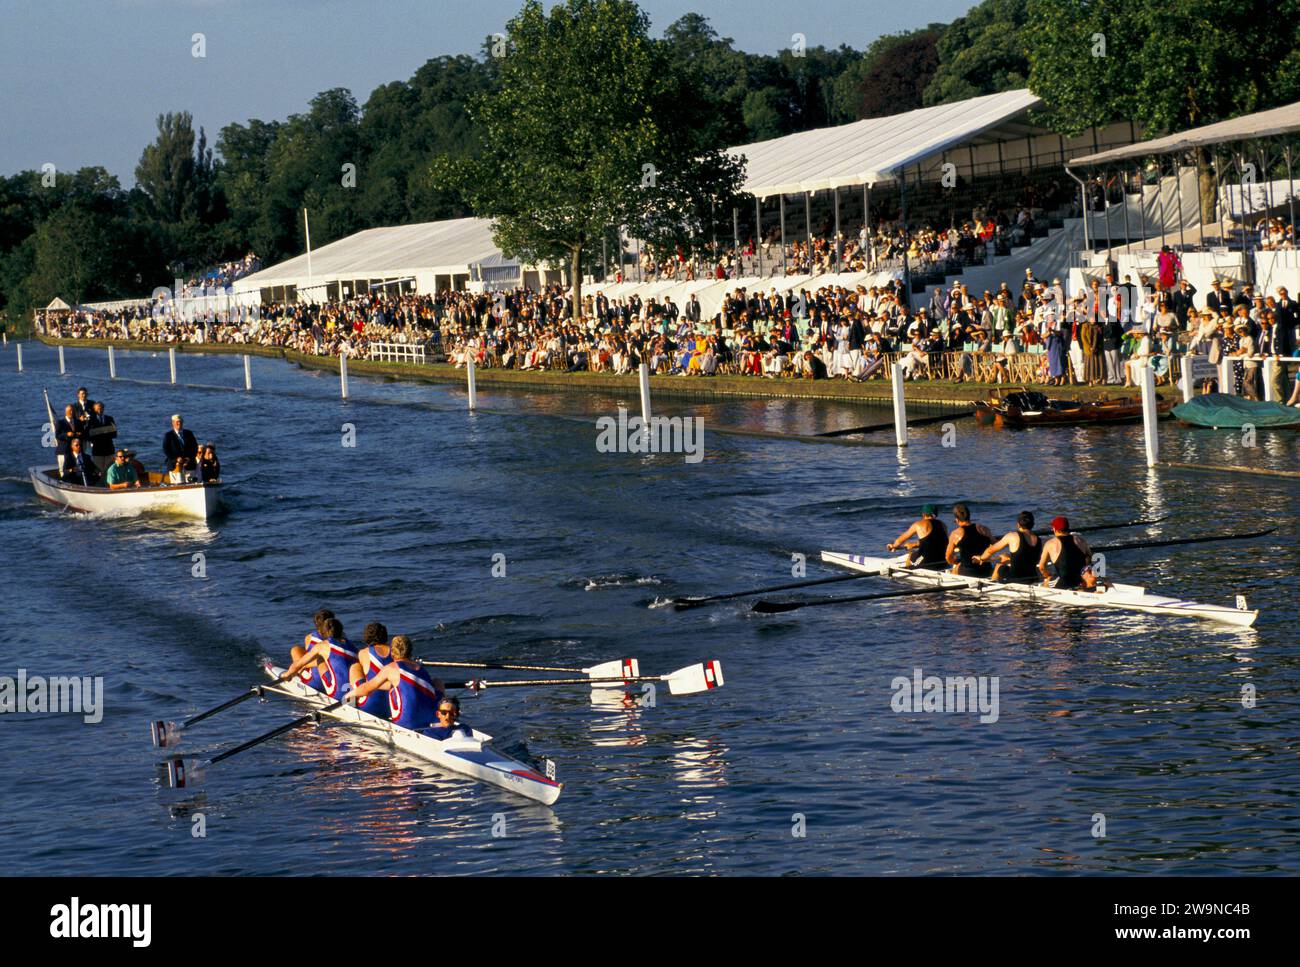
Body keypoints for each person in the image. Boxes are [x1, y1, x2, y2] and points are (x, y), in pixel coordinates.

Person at [345, 634, 442, 729]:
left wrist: (348, 696)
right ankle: (444, 713)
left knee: (393, 690)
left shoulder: (391, 668)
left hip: (406, 723)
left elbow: (366, 689)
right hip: (430, 719)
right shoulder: (421, 669)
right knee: (437, 681)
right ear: (410, 651)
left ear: (392, 653)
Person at [283, 617, 356, 698]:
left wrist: (287, 674)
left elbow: (298, 664)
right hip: (352, 692)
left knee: (320, 658)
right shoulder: (353, 647)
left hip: (336, 694)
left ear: (325, 632)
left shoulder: (323, 645)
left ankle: (303, 675)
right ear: (341, 629)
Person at [972, 511, 1041, 583]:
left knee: (999, 566)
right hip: (1033, 577)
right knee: (1005, 556)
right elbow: (1029, 557)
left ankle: (991, 586)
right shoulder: (1039, 540)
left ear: (1018, 525)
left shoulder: (1012, 536)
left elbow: (991, 550)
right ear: (1033, 524)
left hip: (1015, 579)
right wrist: (1009, 558)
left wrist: (981, 558)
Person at [1037, 516, 1098, 590]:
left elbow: (1042, 567)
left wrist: (1048, 576)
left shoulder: (1050, 543)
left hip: (1063, 582)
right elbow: (1090, 559)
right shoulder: (1080, 540)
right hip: (1080, 580)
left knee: (1046, 581)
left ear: (1055, 529)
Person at [945, 502, 994, 577]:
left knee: (955, 567)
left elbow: (948, 556)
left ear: (957, 520)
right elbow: (995, 544)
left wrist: (955, 562)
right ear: (969, 516)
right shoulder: (984, 529)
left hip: (968, 572)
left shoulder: (955, 534)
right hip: (987, 570)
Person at [85, 400, 118, 472]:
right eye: (97, 409)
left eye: (101, 408)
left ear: (103, 408)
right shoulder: (90, 421)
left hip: (109, 449)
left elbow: (114, 433)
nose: (99, 410)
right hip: (98, 450)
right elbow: (88, 435)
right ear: (94, 409)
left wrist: (101, 433)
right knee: (99, 470)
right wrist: (103, 433)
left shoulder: (109, 419)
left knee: (110, 470)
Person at [54, 404, 84, 474]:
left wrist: (79, 434)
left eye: (72, 411)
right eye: (69, 411)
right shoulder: (60, 422)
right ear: (66, 412)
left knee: (76, 469)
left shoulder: (78, 422)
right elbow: (57, 436)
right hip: (64, 450)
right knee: (63, 470)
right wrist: (66, 434)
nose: (71, 413)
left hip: (75, 451)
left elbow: (82, 433)